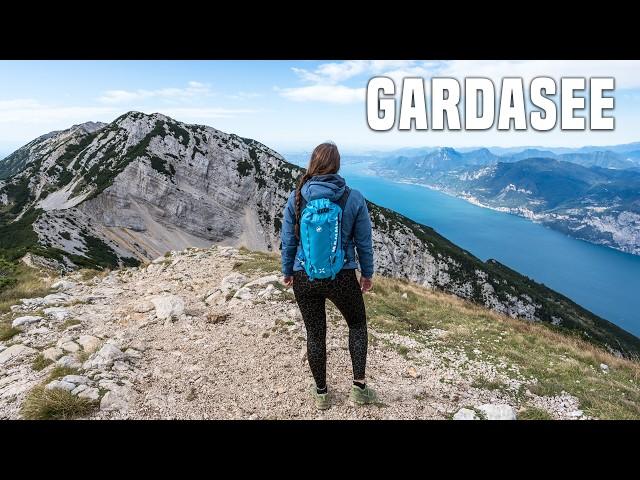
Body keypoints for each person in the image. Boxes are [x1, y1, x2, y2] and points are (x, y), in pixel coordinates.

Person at [280, 142, 377, 410]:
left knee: (315, 334)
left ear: (313, 164)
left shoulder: (297, 196)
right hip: (342, 276)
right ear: (337, 164)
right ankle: (359, 389)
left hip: (305, 275)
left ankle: (322, 393)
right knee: (356, 325)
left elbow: (288, 240)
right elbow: (364, 243)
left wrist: (287, 270)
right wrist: (366, 274)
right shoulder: (353, 197)